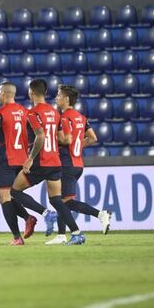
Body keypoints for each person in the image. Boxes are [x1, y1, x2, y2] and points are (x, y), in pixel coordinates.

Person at [0, 82, 57, 245]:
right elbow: (40, 135)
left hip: (7, 159)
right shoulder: (27, 113)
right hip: (23, 159)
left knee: (4, 197)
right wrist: (32, 157)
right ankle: (29, 218)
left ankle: (18, 236)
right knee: (12, 194)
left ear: (4, 93)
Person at [10, 79, 86, 246]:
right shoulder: (56, 113)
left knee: (15, 191)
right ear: (45, 92)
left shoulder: (33, 113)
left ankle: (45, 214)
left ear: (31, 92)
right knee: (57, 200)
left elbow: (40, 136)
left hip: (41, 161)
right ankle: (76, 233)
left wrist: (29, 158)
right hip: (56, 162)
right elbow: (65, 138)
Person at [45, 85, 112, 244]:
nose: (56, 98)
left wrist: (52, 139)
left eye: (59, 95)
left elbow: (66, 139)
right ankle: (61, 235)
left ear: (66, 99)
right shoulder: (81, 117)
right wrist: (79, 146)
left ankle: (100, 214)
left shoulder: (64, 117)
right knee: (62, 200)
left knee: (65, 202)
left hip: (67, 164)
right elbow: (93, 138)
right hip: (77, 163)